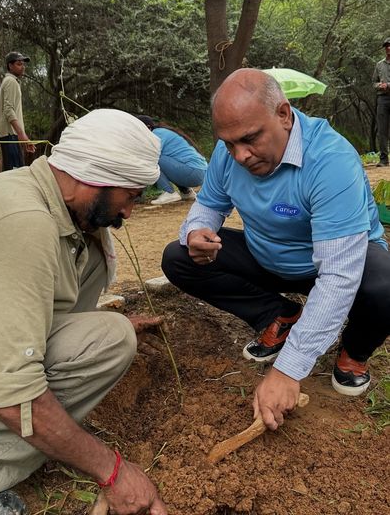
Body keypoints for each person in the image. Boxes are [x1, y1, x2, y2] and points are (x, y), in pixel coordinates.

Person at [162, 68, 390, 432]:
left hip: (330, 264)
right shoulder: (230, 154)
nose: (240, 156)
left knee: (385, 284)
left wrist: (288, 369)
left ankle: (354, 351)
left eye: (250, 139)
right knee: (178, 257)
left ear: (283, 115)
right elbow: (209, 204)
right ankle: (279, 315)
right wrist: (197, 230)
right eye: (228, 144)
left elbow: (337, 274)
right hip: (267, 257)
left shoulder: (330, 161)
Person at [0, 109, 167, 515]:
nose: (130, 212)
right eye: (129, 195)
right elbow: (13, 395)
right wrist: (112, 472)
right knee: (109, 340)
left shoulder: (57, 204)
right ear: (91, 176)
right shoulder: (25, 223)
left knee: (102, 304)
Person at [136, 115, 207, 205]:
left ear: (148, 127)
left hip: (193, 172)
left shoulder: (155, 135)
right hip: (199, 173)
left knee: (152, 159)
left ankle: (169, 192)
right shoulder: (162, 132)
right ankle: (186, 192)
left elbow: (149, 157)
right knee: (167, 160)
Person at [0, 51, 35, 171]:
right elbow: (8, 110)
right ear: (10, 66)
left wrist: (21, 137)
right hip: (10, 135)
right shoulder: (10, 81)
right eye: (19, 64)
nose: (23, 67)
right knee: (15, 173)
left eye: (23, 64)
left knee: (13, 172)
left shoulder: (10, 81)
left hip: (12, 135)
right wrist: (22, 135)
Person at [373, 37, 390, 167]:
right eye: (386, 46)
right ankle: (384, 159)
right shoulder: (379, 65)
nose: (388, 48)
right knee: (382, 129)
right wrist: (380, 85)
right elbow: (373, 82)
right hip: (382, 99)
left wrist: (388, 85)